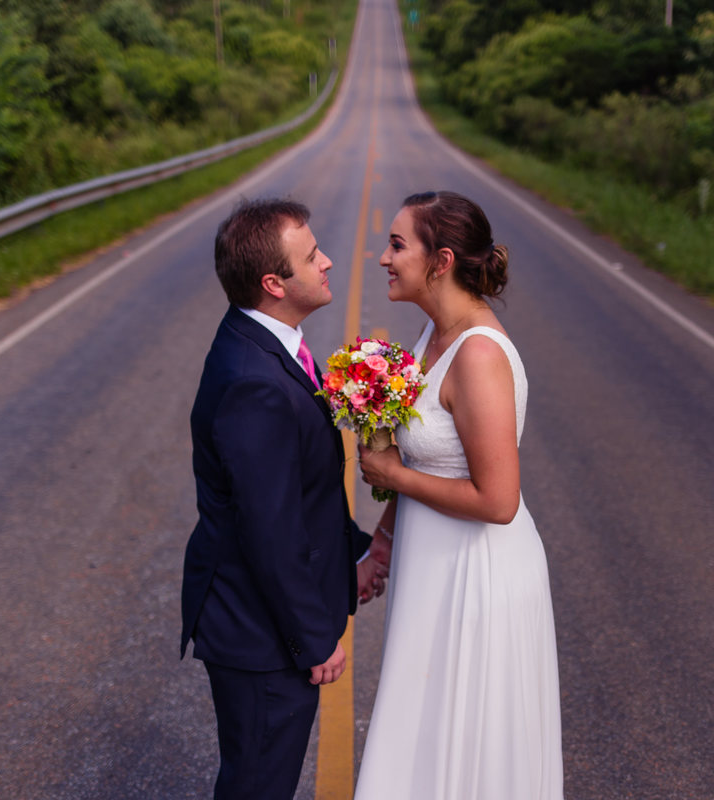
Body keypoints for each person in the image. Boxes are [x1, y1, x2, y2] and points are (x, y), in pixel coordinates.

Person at [354, 191, 563, 799]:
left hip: (479, 577)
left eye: (397, 245)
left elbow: (498, 501)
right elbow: (425, 458)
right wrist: (383, 544)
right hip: (431, 571)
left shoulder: (477, 354)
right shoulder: (433, 333)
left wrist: (392, 477)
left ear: (441, 260)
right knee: (423, 743)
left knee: (467, 752)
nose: (384, 258)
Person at [181, 197, 388, 800]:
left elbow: (302, 495)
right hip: (259, 633)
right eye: (312, 255)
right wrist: (312, 639)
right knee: (258, 786)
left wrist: (355, 553)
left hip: (261, 620)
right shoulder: (254, 379)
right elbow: (268, 529)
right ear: (274, 283)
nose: (327, 261)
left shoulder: (272, 344)